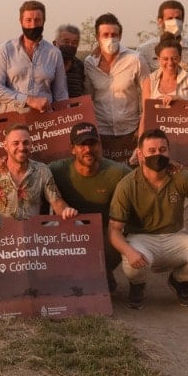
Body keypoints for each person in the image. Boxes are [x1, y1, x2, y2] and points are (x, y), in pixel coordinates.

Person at [109, 129, 188, 308]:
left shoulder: (180, 176)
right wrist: (129, 252)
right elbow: (114, 230)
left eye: (162, 150)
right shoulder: (127, 184)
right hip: (141, 238)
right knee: (132, 264)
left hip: (174, 235)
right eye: (151, 151)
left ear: (169, 151)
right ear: (140, 154)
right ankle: (137, 285)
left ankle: (179, 280)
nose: (158, 154)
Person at [50, 122, 132, 292]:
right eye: (82, 145)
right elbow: (31, 173)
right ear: (73, 149)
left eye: (92, 143)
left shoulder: (117, 171)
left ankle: (104, 272)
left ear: (99, 145)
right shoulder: (57, 169)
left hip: (104, 233)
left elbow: (142, 182)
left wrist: (165, 168)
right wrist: (3, 162)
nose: (88, 149)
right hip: (70, 231)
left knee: (119, 237)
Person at [0, 125, 77, 227]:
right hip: (1, 239)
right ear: (5, 146)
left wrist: (67, 212)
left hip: (34, 235)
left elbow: (57, 203)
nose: (21, 147)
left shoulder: (41, 171)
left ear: (31, 144)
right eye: (15, 143)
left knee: (77, 223)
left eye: (26, 143)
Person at [0, 0, 68, 113]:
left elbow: (61, 95)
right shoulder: (6, 50)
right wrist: (28, 100)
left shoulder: (54, 53)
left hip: (44, 122)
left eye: (37, 20)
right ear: (21, 21)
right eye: (28, 20)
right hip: (11, 122)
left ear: (44, 21)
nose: (33, 25)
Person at [85, 13, 148, 148]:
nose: (110, 39)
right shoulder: (89, 63)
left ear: (120, 36)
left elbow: (147, 94)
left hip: (131, 131)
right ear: (98, 37)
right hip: (101, 133)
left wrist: (143, 127)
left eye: (114, 35)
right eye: (105, 35)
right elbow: (88, 98)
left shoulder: (135, 59)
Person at [137, 0, 188, 72]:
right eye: (170, 18)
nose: (175, 22)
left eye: (178, 18)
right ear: (160, 21)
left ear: (182, 20)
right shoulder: (145, 50)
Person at [54, 24, 87, 100]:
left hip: (75, 111)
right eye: (66, 41)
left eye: (74, 43)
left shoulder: (79, 66)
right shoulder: (47, 65)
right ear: (56, 43)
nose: (70, 45)